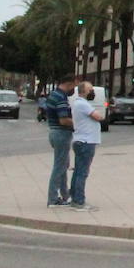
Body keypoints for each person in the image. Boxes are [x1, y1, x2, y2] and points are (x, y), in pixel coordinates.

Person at [70, 81, 105, 212]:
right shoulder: (82, 104)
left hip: (81, 140)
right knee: (82, 172)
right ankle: (79, 201)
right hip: (86, 142)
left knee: (78, 170)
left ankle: (74, 197)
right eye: (90, 90)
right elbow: (98, 116)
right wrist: (99, 114)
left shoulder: (79, 103)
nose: (92, 92)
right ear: (83, 91)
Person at [45, 77, 76, 207]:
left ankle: (65, 195)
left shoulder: (53, 94)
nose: (73, 90)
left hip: (55, 132)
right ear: (69, 84)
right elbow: (63, 119)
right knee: (59, 166)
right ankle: (52, 198)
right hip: (61, 133)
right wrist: (78, 124)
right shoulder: (61, 98)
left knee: (63, 165)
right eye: (73, 86)